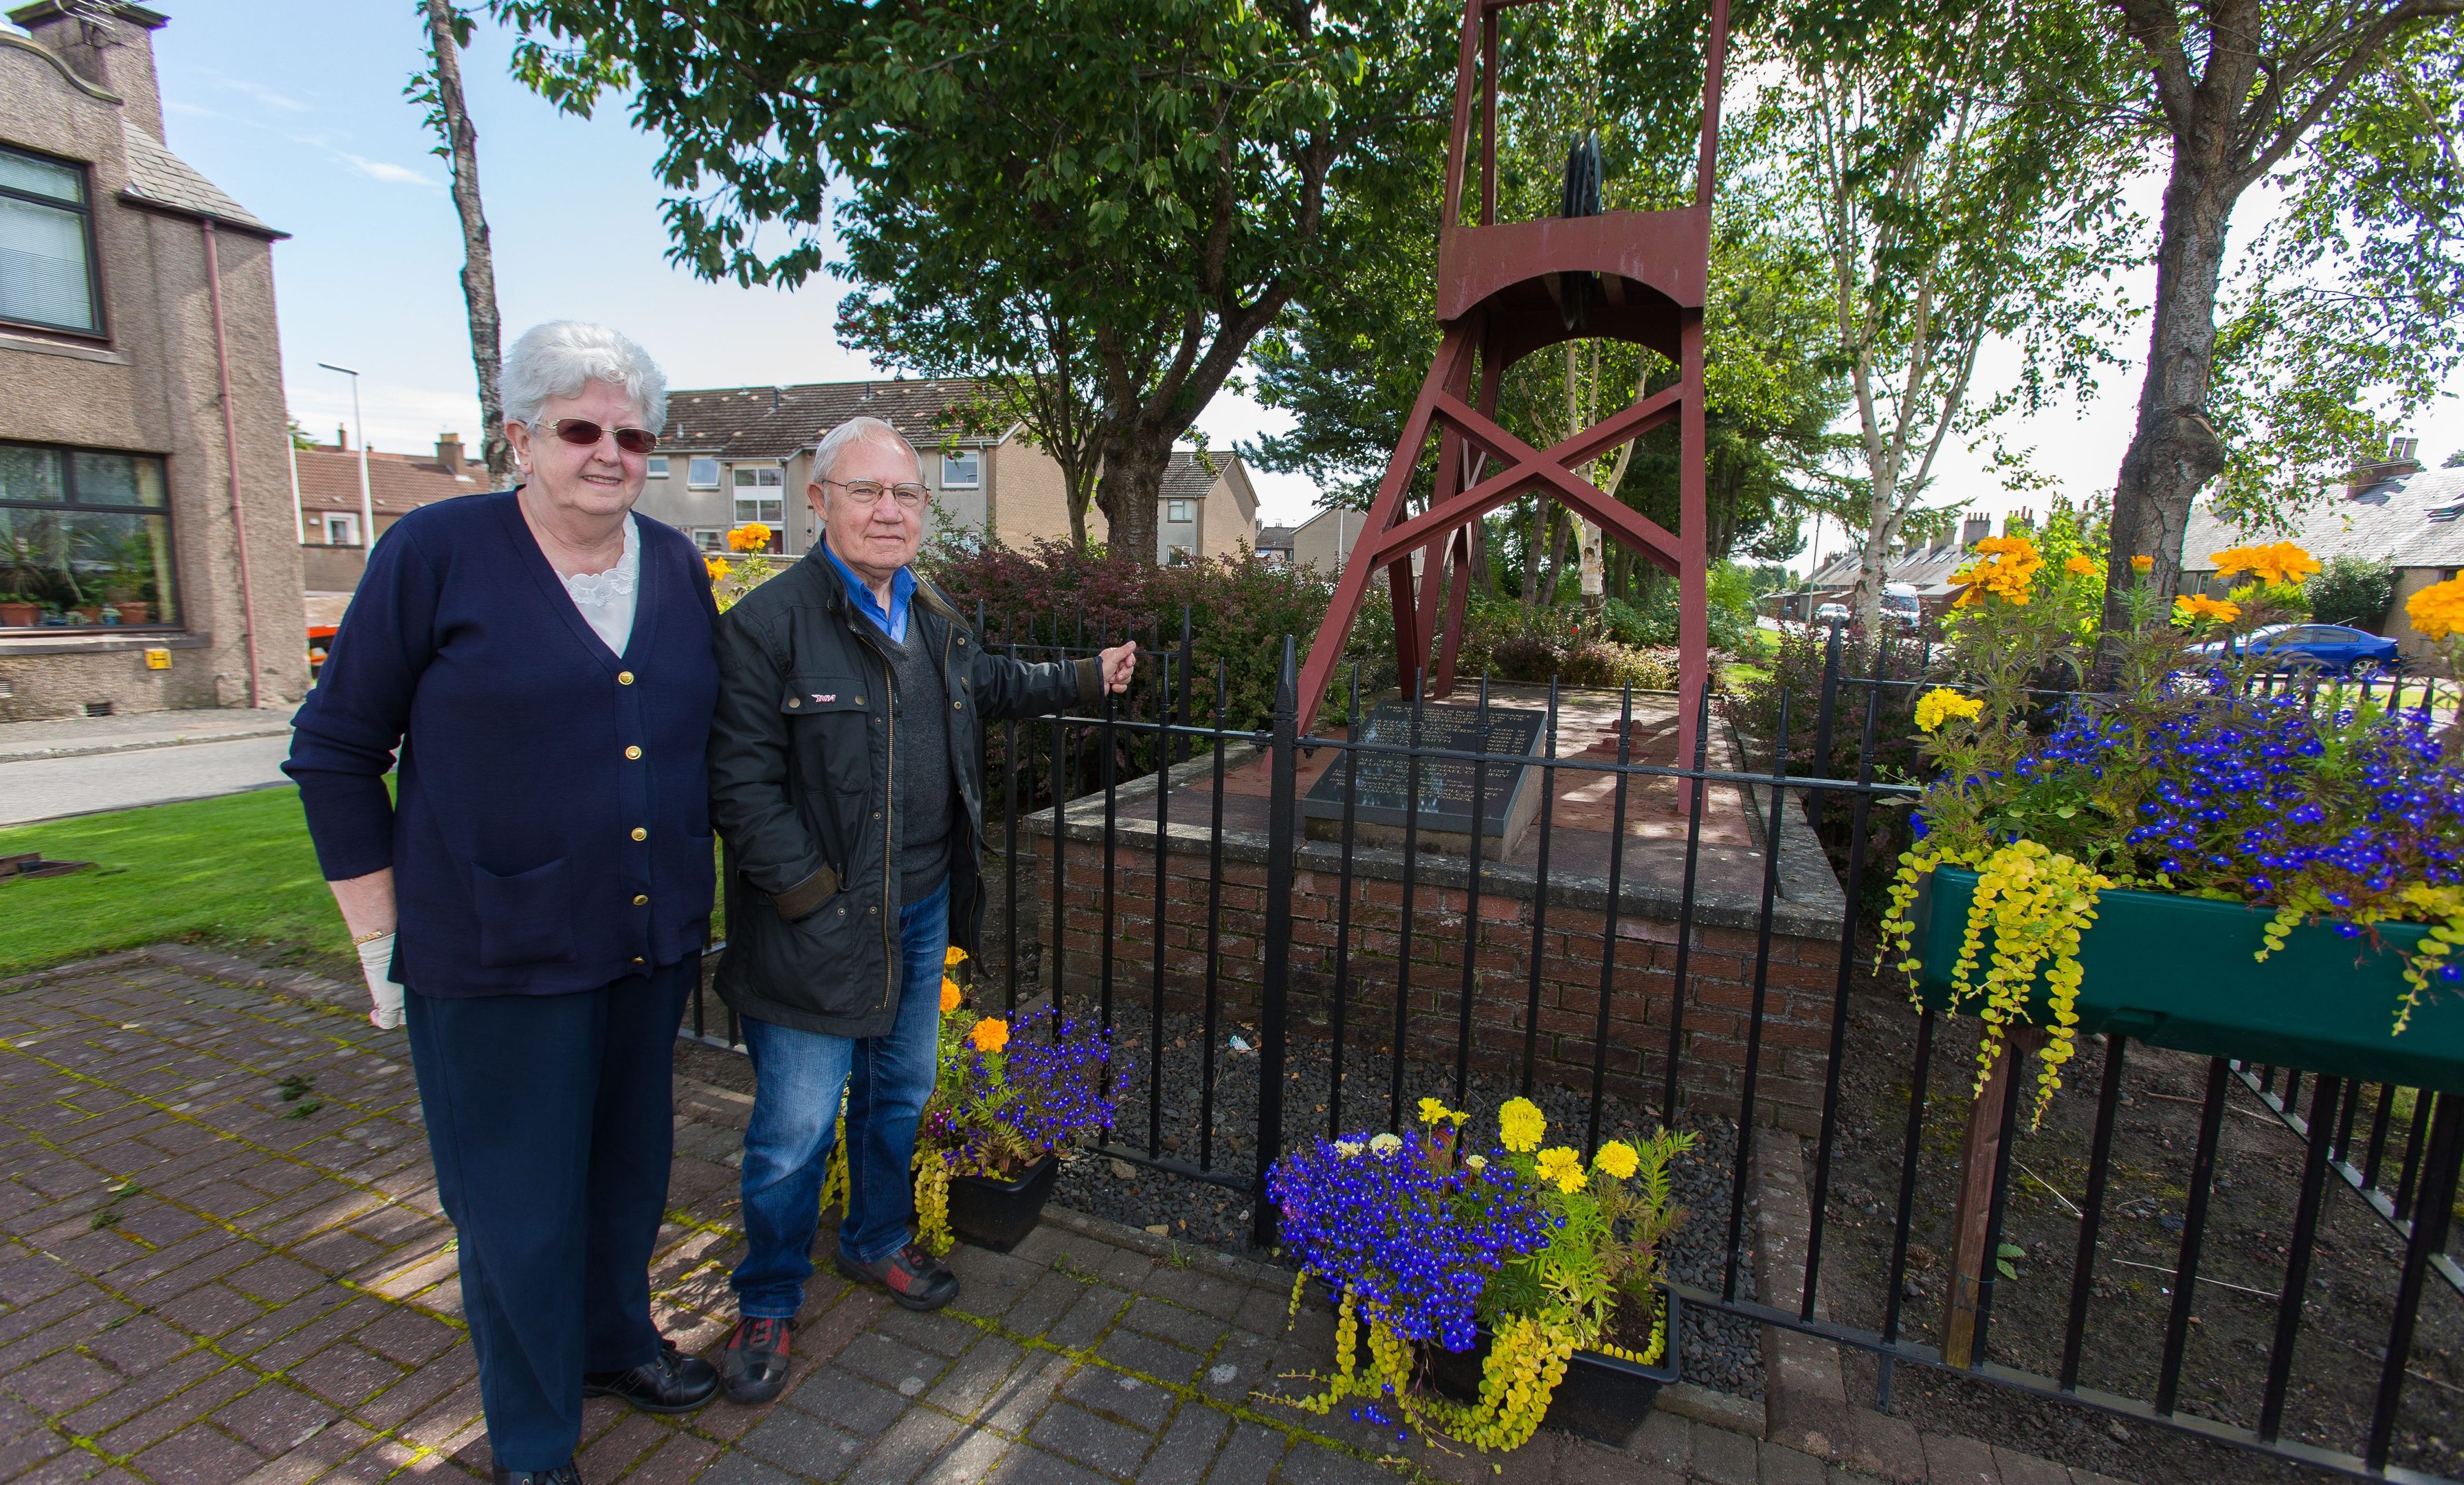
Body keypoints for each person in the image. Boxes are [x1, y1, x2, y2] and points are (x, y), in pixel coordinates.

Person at [285, 322, 722, 1485]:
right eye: (581, 429)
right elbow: (333, 751)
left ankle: (615, 1344)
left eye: (633, 435)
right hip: (491, 950)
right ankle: (533, 1438)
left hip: (644, 937)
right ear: (520, 437)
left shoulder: (676, 566)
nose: (609, 454)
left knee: (627, 1170)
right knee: (518, 1207)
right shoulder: (436, 551)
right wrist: (380, 938)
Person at [706, 415, 1135, 1404]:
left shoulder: (932, 615)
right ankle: (767, 1295)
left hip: (920, 905)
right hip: (811, 924)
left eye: (904, 495)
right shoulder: (766, 627)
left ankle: (875, 1241)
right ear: (819, 502)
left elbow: (981, 687)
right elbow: (739, 788)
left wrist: (1081, 676)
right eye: (864, 492)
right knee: (793, 1131)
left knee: (897, 1097)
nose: (888, 511)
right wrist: (811, 896)